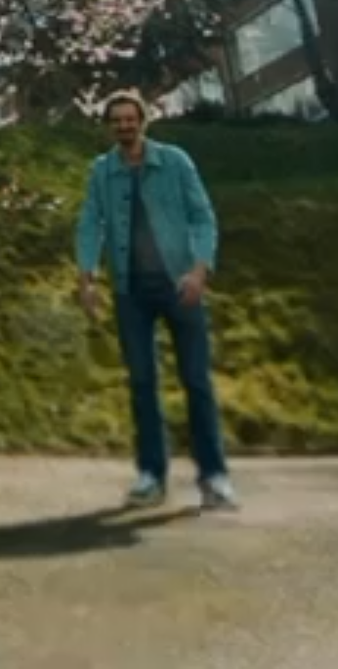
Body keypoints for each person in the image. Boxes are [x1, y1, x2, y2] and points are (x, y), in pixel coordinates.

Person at [75, 91, 239, 514]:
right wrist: (87, 275)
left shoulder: (176, 162)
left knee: (196, 381)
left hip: (179, 284)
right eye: (117, 121)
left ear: (143, 121)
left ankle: (214, 477)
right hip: (131, 289)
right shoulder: (102, 171)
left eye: (131, 119)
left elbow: (203, 216)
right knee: (142, 382)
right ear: (108, 127)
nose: (124, 126)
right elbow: (91, 221)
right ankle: (151, 475)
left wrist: (201, 269)